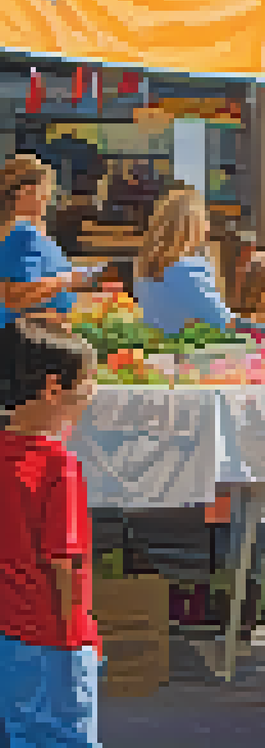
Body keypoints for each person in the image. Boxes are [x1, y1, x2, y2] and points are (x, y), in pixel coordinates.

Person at [0, 316, 102, 748]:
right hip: (53, 637)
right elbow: (66, 563)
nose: (92, 392)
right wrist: (81, 634)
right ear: (54, 388)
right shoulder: (59, 466)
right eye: (88, 382)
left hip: (8, 634)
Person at [0, 156, 89, 329]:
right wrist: (67, 279)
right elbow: (13, 297)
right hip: (28, 342)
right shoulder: (20, 233)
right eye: (46, 190)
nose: (49, 199)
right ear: (26, 191)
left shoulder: (28, 233)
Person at [133, 188, 236, 334]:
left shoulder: (144, 269)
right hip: (189, 352)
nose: (208, 226)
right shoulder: (187, 269)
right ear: (194, 226)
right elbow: (222, 320)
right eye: (205, 219)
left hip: (157, 351)